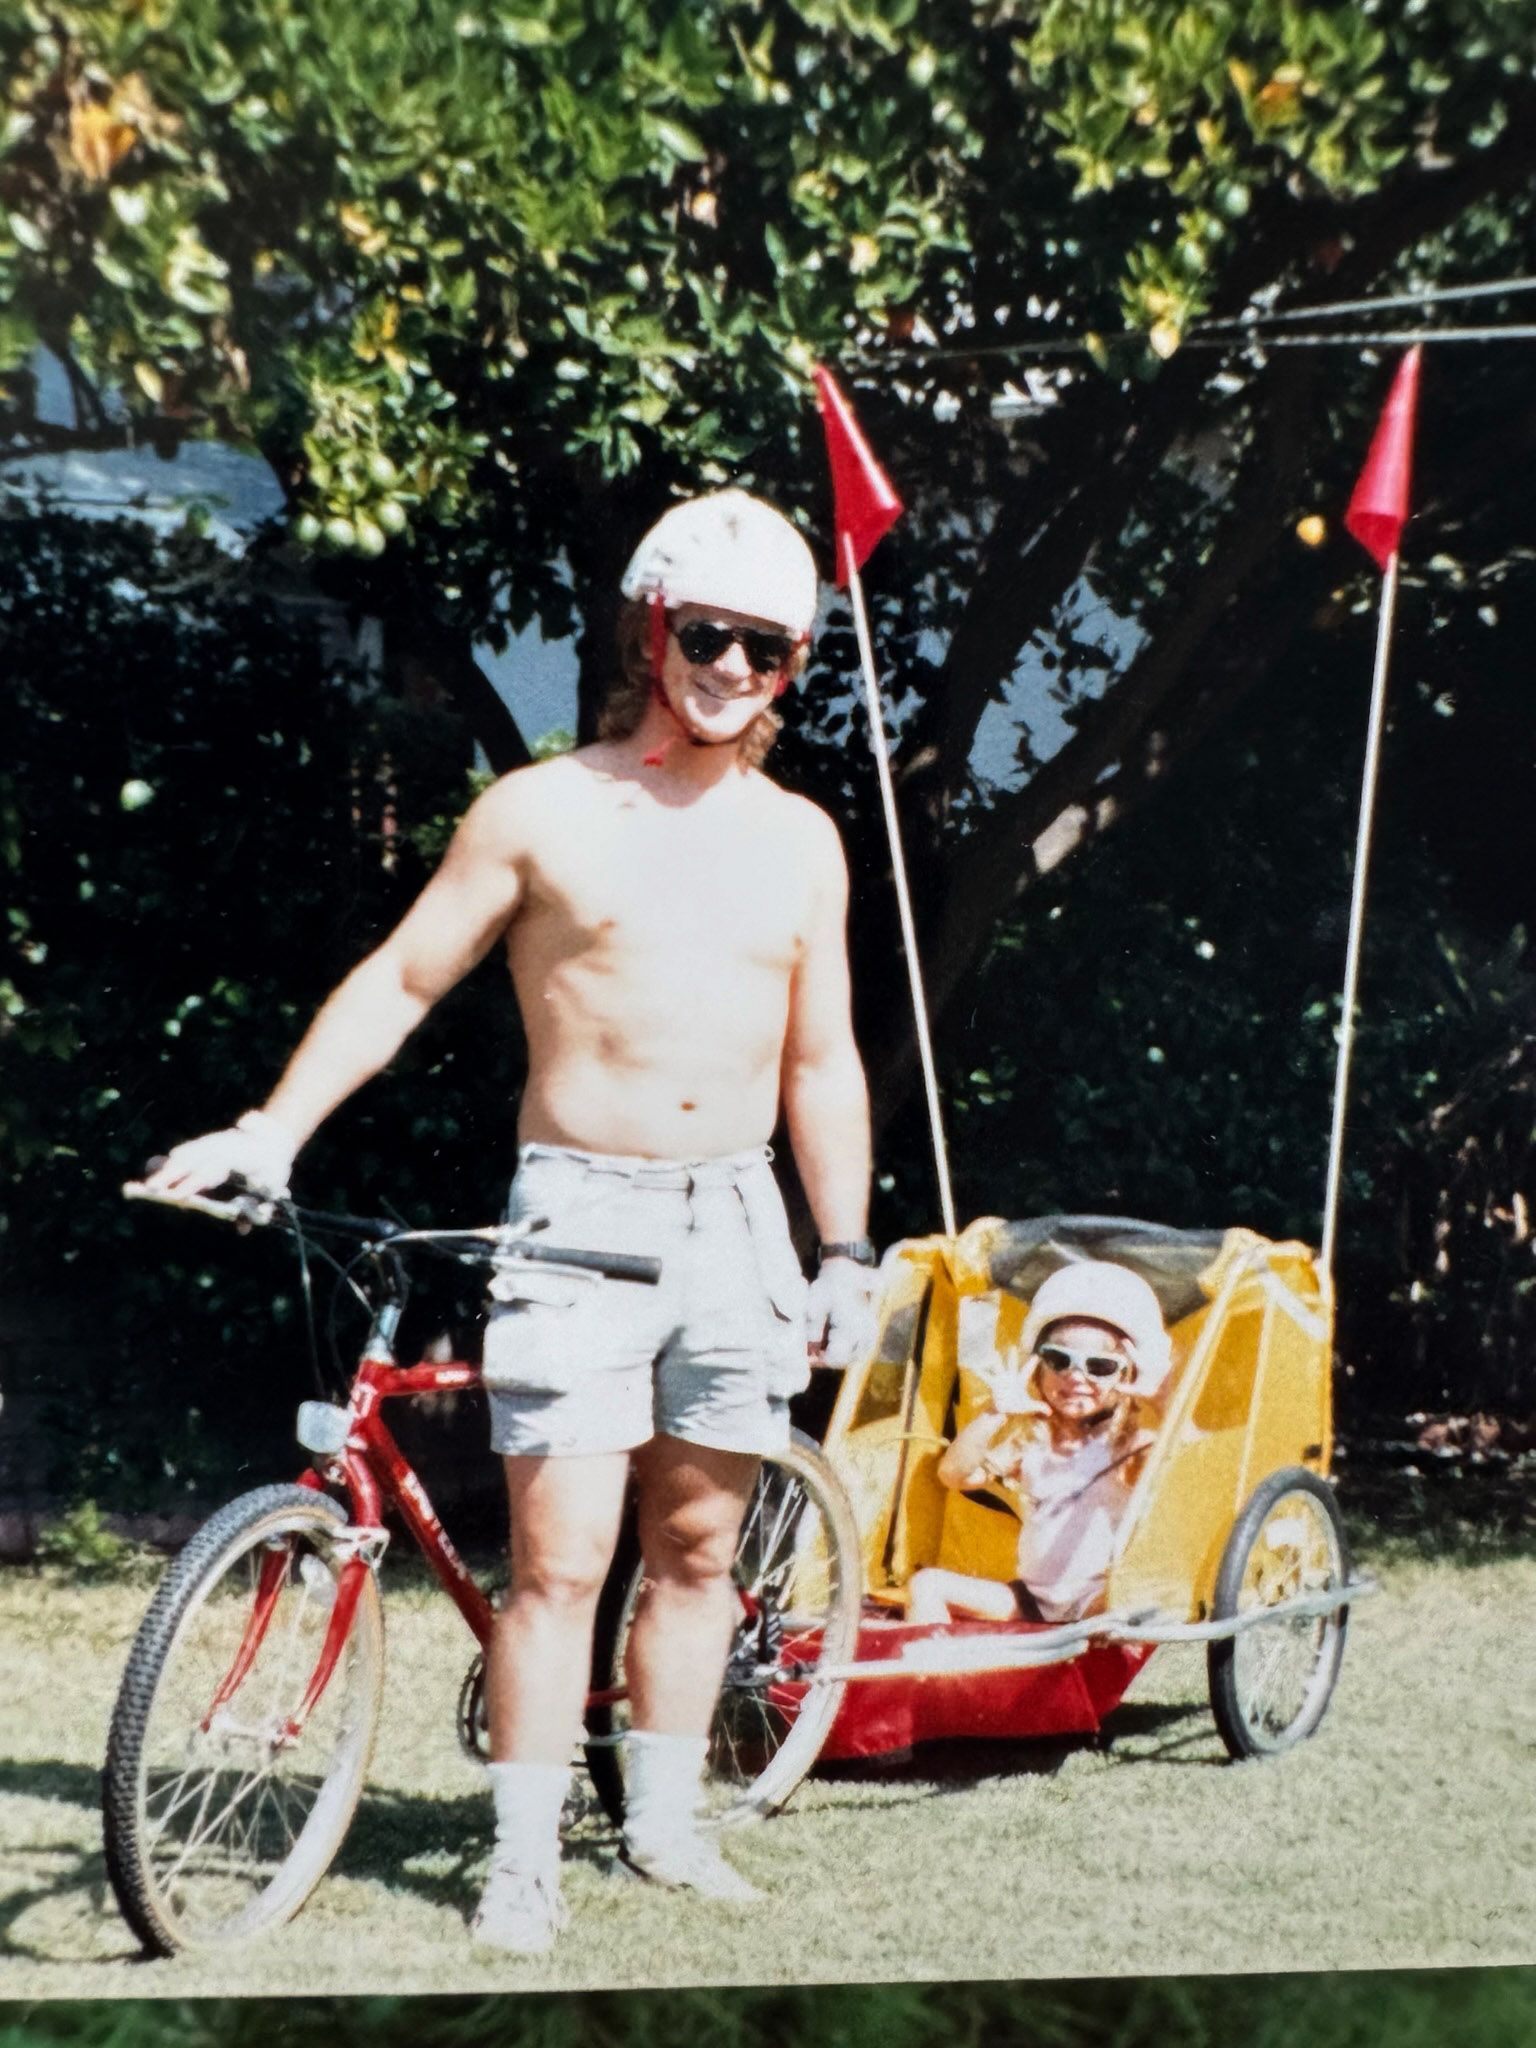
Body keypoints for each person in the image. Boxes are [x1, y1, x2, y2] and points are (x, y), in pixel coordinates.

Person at [145, 489, 879, 1954]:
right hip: (579, 1215)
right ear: (651, 632)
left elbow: (820, 1060)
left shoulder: (804, 842)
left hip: (738, 1219)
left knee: (698, 1547)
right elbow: (403, 980)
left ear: (793, 667)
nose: (734, 669)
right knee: (559, 1561)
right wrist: (271, 1130)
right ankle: (523, 1861)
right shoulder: (540, 811)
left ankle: (663, 1826)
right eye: (709, 635)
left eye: (768, 649)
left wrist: (846, 1248)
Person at [905, 1261, 1172, 1627]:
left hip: (1099, 1601)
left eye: (1100, 1366)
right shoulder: (1031, 1439)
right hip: (1033, 1599)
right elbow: (954, 1475)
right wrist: (994, 1412)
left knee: (1126, 1604)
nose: (1076, 1377)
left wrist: (1164, 1401)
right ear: (1038, 1368)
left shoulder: (1131, 1446)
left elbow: (1196, 1475)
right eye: (1059, 1360)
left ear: (1129, 1374)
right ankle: (930, 1663)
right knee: (926, 1585)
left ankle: (1093, 1638)